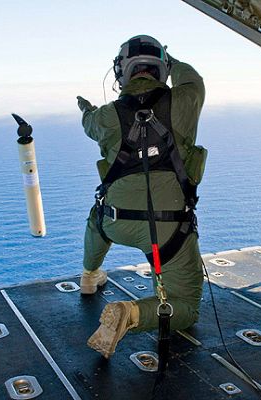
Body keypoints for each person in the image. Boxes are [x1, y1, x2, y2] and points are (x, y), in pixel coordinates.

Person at [76, 35, 207, 358]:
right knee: (186, 308)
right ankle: (132, 313)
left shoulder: (106, 116)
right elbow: (194, 79)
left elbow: (89, 123)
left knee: (97, 219)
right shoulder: (186, 99)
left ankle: (89, 277)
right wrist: (171, 60)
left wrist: (88, 110)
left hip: (116, 221)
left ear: (122, 73)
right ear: (162, 69)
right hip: (169, 231)